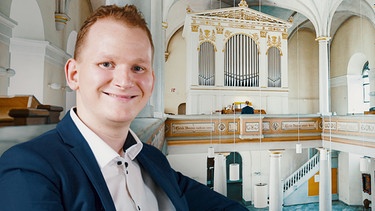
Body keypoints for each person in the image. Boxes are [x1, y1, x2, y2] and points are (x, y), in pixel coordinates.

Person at [0, 4, 247, 211]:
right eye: (106, 63)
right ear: (74, 74)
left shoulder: (152, 159)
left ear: (152, 81)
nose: (124, 81)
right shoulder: (29, 168)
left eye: (138, 68)